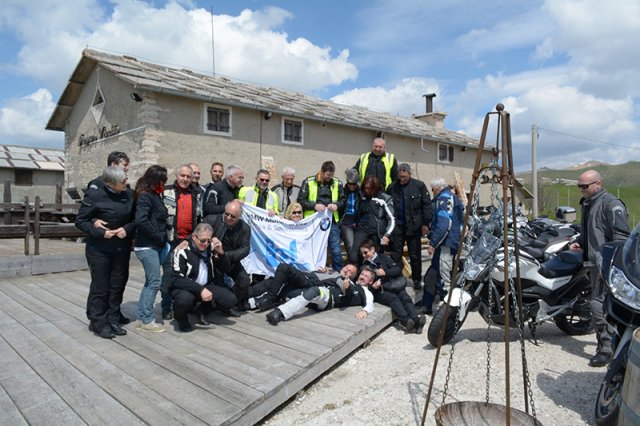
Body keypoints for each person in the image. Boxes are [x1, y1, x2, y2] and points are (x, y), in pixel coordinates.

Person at [569, 170, 629, 367]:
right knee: (599, 304)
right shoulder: (589, 203)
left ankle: (606, 349)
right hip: (593, 263)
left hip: (605, 265)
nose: (581, 190)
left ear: (598, 184)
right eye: (579, 186)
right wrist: (580, 242)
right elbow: (591, 231)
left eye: (584, 186)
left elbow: (620, 237)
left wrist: (609, 263)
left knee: (598, 304)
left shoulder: (611, 204)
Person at [76, 166, 135, 339]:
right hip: (99, 249)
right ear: (110, 183)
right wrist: (100, 232)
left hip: (121, 248)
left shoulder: (129, 195)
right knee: (100, 287)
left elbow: (136, 219)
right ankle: (98, 322)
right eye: (122, 181)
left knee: (117, 286)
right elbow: (81, 221)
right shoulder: (95, 195)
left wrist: (127, 229)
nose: (126, 182)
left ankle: (113, 319)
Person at [169, 223, 238, 332]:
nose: (205, 244)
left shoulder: (211, 249)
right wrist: (200, 289)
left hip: (206, 285)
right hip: (187, 288)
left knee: (231, 299)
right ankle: (181, 318)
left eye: (208, 241)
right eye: (202, 240)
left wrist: (221, 253)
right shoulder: (182, 251)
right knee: (184, 299)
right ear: (194, 237)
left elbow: (226, 268)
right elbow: (176, 279)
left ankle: (201, 310)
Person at [265, 265, 376, 325]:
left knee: (315, 291)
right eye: (362, 274)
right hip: (319, 296)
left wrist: (365, 311)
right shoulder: (349, 281)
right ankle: (257, 303)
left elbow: (370, 302)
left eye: (366, 276)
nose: (362, 277)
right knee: (289, 291)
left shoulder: (365, 291)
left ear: (370, 281)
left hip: (329, 298)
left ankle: (279, 313)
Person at [160, 164, 201, 319]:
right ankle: (166, 306)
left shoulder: (197, 194)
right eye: (182, 176)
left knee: (190, 274)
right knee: (169, 275)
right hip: (170, 241)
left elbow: (199, 219)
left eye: (188, 177)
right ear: (177, 176)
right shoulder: (166, 192)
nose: (185, 179)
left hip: (190, 241)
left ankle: (187, 304)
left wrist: (190, 240)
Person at [359, 239, 426, 333]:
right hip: (379, 290)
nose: (363, 255)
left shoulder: (383, 258)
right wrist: (373, 287)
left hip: (393, 284)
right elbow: (363, 282)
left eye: (365, 252)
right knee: (393, 298)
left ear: (373, 250)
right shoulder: (365, 265)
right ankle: (406, 321)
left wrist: (385, 272)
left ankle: (416, 321)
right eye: (362, 253)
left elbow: (397, 269)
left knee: (404, 296)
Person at [133, 165, 170, 333]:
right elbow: (141, 220)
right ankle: (147, 320)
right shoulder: (145, 196)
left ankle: (141, 317)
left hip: (156, 245)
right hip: (147, 246)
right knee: (155, 282)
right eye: (163, 180)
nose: (164, 183)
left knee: (150, 282)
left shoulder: (155, 195)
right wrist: (158, 235)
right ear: (156, 180)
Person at [387, 163, 432, 289]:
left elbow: (426, 205)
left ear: (409, 174)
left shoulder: (419, 186)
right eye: (400, 177)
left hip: (414, 226)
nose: (402, 179)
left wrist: (426, 223)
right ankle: (397, 278)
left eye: (404, 177)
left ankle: (416, 280)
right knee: (396, 254)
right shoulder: (392, 187)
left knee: (415, 255)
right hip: (397, 227)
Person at [423, 177, 464, 314]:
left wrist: (433, 243)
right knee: (432, 276)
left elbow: (444, 224)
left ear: (436, 188)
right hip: (450, 243)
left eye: (432, 189)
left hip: (445, 244)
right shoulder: (453, 198)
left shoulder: (443, 199)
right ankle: (427, 305)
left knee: (444, 279)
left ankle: (449, 313)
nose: (432, 192)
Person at [298, 160, 345, 271]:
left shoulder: (337, 183)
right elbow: (301, 200)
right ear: (321, 171)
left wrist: (336, 205)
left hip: (331, 221)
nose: (330, 177)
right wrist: (314, 206)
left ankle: (339, 273)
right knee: (311, 247)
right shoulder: (308, 181)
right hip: (313, 221)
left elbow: (343, 200)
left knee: (336, 249)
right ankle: (310, 271)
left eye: (332, 175)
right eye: (328, 175)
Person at [204, 200, 251, 308]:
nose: (228, 217)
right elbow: (197, 235)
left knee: (244, 281)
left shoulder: (244, 228)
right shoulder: (211, 220)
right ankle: (214, 306)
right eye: (226, 214)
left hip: (230, 259)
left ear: (239, 217)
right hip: (212, 259)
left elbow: (245, 249)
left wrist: (224, 254)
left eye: (233, 216)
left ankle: (230, 303)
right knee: (219, 284)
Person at [347, 176, 395, 265]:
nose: (367, 190)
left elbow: (391, 218)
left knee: (376, 256)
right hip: (362, 228)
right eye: (365, 188)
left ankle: (377, 272)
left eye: (369, 188)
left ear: (375, 187)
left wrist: (387, 235)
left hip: (377, 231)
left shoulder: (384, 198)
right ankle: (356, 272)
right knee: (354, 255)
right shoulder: (362, 196)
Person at [340, 168, 361, 255]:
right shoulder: (342, 192)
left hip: (358, 221)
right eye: (350, 184)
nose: (352, 186)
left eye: (354, 184)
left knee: (360, 246)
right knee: (350, 246)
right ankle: (352, 262)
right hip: (346, 222)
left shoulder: (360, 193)